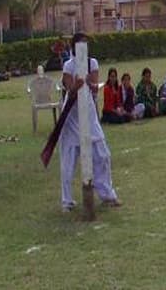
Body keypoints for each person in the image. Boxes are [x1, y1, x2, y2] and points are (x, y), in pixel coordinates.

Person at [59, 33, 122, 211]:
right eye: (81, 44)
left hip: (88, 110)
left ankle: (107, 194)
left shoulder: (92, 63)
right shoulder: (68, 65)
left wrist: (89, 83)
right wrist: (75, 86)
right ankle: (67, 201)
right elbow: (69, 89)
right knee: (68, 160)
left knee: (102, 155)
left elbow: (94, 86)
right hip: (72, 114)